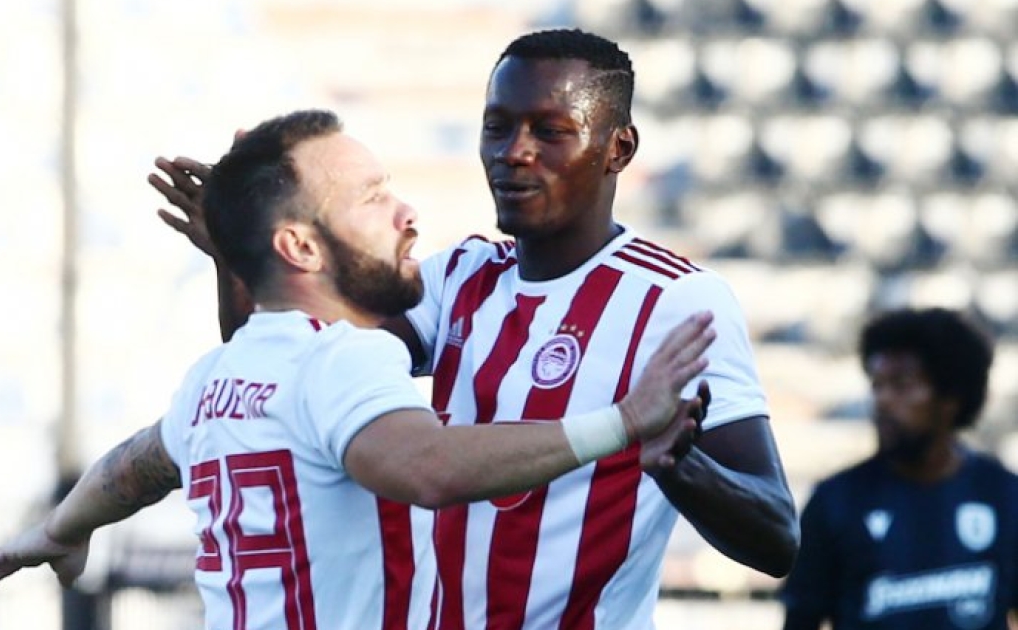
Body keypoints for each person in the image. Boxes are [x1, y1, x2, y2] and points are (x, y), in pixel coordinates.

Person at [151, 29, 800, 628]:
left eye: (550, 131)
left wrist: (680, 467)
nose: (514, 152)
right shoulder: (459, 276)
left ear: (617, 149)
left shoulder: (676, 300)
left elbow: (776, 537)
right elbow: (286, 369)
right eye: (497, 126)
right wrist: (243, 255)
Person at [0, 109, 719, 630]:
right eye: (373, 197)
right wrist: (622, 421)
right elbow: (428, 468)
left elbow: (140, 464)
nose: (406, 213)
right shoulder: (344, 359)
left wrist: (62, 526)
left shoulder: (212, 380)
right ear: (300, 247)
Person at [780, 307, 1018, 630]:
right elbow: (801, 619)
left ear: (950, 398)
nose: (883, 400)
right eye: (877, 385)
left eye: (901, 385)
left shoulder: (1004, 496)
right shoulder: (835, 502)